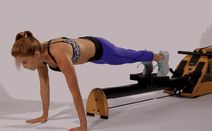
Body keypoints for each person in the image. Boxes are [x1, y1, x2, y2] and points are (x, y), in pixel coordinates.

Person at [11, 31, 169, 131]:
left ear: (36, 54)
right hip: (87, 52)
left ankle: (161, 57)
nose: (24, 66)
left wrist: (83, 126)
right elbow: (44, 84)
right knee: (128, 56)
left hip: (100, 50)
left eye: (24, 62)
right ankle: (148, 58)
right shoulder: (39, 57)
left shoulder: (59, 55)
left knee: (126, 56)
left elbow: (75, 92)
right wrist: (44, 115)